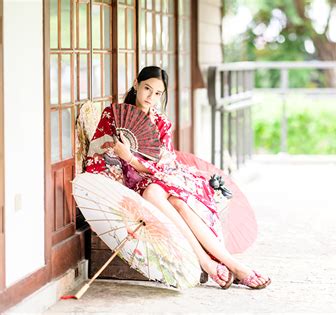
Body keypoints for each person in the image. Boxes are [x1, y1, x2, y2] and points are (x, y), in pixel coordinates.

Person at [85, 66, 271, 290]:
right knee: (174, 201)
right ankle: (223, 265)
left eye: (157, 93)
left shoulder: (161, 123)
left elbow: (165, 165)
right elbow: (97, 154)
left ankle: (224, 264)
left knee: (164, 195)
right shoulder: (113, 115)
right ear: (136, 84)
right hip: (131, 184)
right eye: (147, 89)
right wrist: (117, 155)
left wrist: (132, 160)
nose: (151, 97)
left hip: (160, 178)